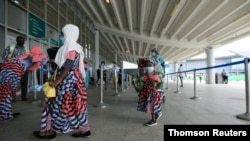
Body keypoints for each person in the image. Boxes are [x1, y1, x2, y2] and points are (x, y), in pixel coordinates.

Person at [33, 24, 91, 139]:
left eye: (62, 34)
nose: (61, 36)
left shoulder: (69, 46)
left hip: (68, 80)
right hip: (75, 80)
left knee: (53, 103)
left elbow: (68, 64)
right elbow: (68, 62)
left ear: (68, 33)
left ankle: (48, 130)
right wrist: (51, 61)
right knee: (77, 105)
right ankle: (85, 130)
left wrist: (58, 80)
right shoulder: (76, 46)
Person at [0, 45, 47, 121]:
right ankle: (4, 115)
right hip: (13, 69)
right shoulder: (32, 58)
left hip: (10, 67)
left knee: (8, 91)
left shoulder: (27, 56)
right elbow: (41, 61)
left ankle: (7, 112)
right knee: (6, 92)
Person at [2, 36, 29, 101]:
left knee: (24, 83)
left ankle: (23, 96)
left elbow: (29, 58)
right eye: (20, 40)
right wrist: (12, 61)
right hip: (14, 68)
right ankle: (12, 97)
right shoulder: (11, 47)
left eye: (23, 40)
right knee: (13, 83)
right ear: (16, 40)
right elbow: (4, 56)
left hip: (24, 68)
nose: (21, 41)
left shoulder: (26, 49)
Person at [137, 58, 162, 126]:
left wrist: (149, 76)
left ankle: (153, 120)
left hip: (152, 93)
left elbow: (154, 84)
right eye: (146, 65)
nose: (148, 67)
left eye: (150, 65)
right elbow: (144, 83)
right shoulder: (144, 76)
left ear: (153, 67)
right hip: (147, 92)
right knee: (151, 106)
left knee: (152, 106)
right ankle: (157, 114)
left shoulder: (154, 76)